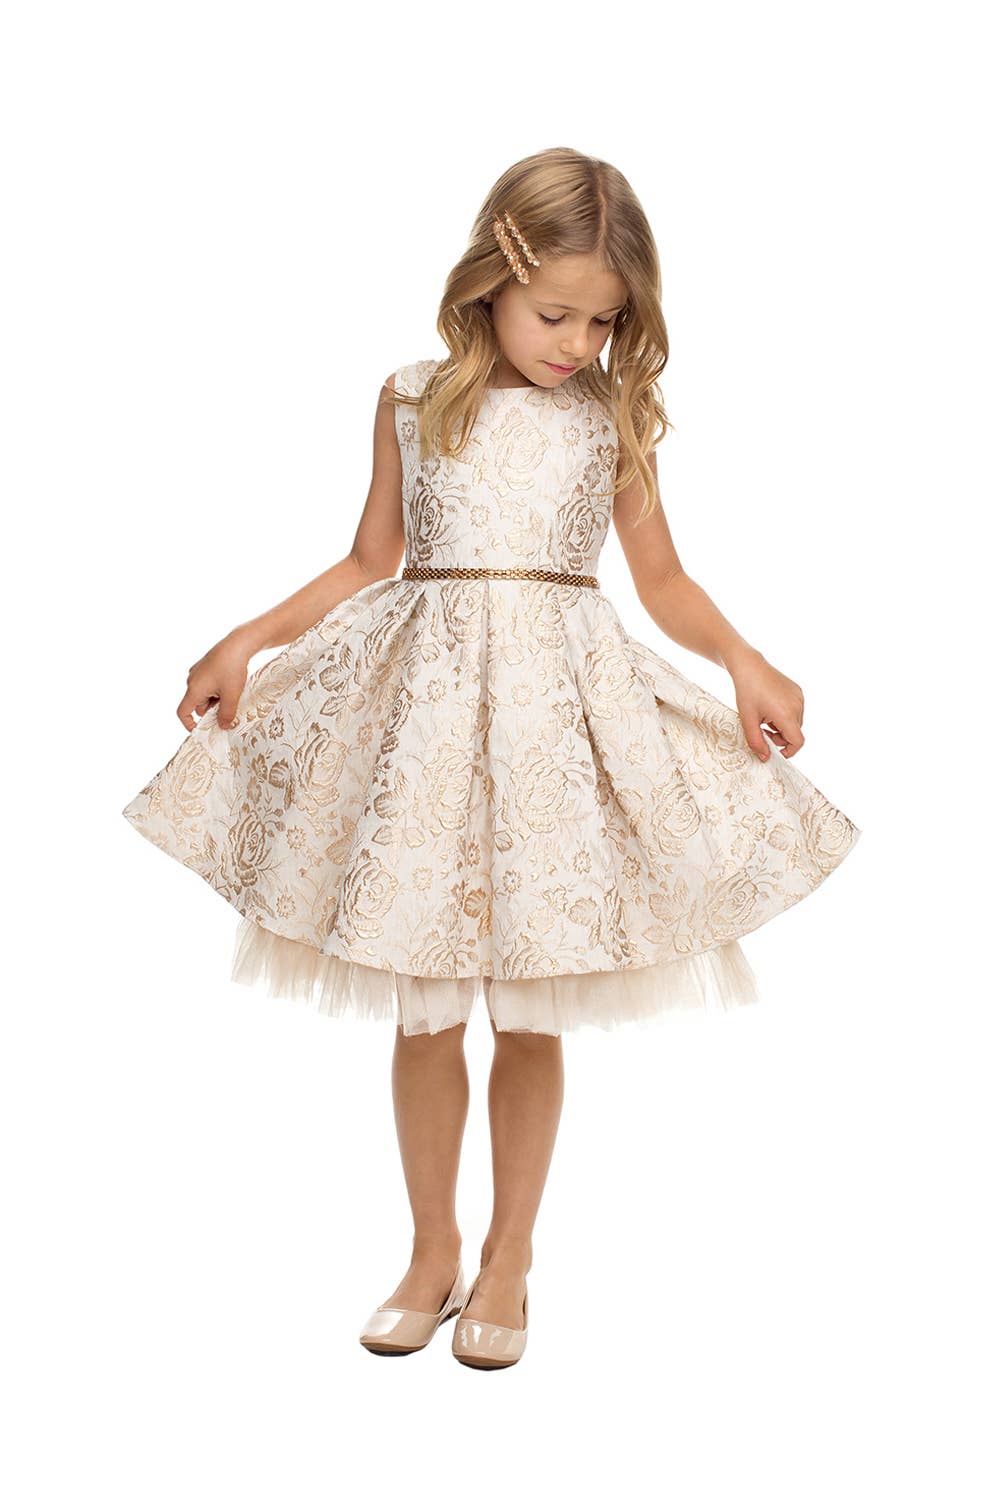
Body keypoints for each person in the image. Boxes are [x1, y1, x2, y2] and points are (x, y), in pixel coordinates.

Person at [122, 146, 862, 1370]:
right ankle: (431, 1251)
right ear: (491, 280)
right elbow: (369, 559)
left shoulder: (609, 416)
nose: (578, 342)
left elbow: (661, 580)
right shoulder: (413, 397)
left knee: (530, 1004)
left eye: (604, 321)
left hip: (552, 729)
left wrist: (743, 658)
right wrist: (247, 638)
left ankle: (510, 1255)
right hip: (423, 723)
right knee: (423, 1010)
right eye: (554, 313)